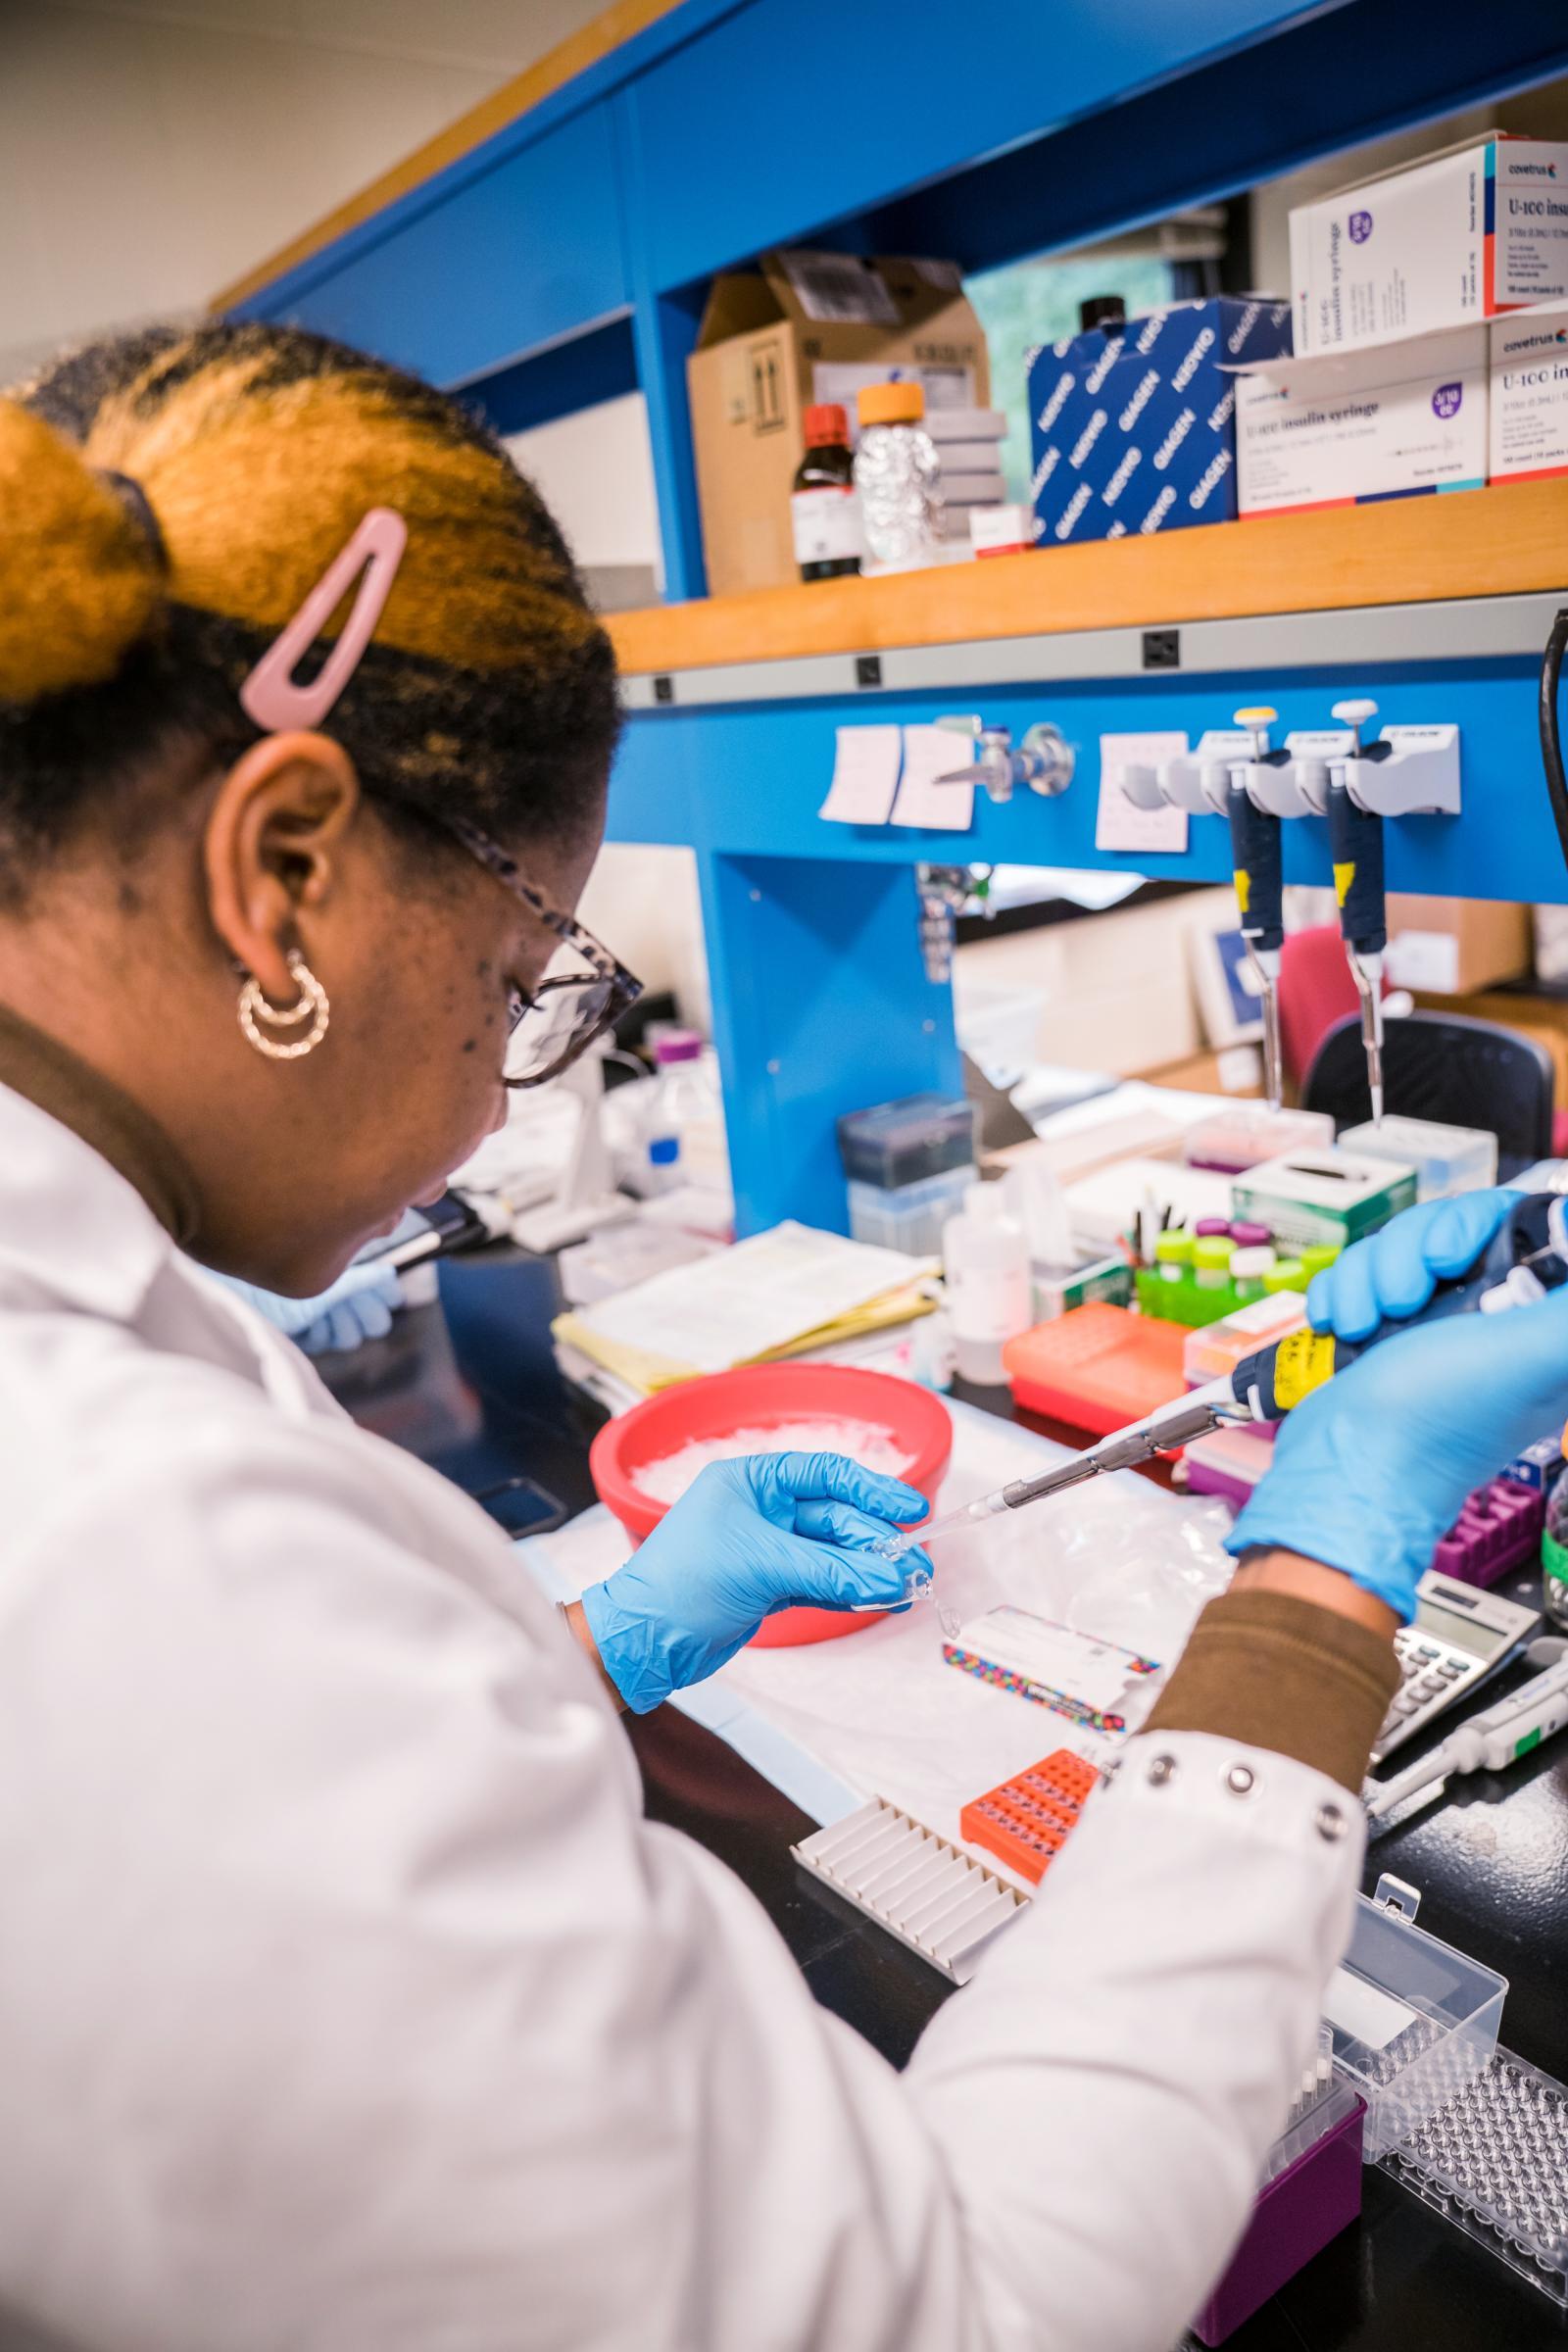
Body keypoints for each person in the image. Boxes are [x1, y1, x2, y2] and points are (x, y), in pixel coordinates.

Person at [1, 320, 1566, 2352]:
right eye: (513, 976)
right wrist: (1312, 1569)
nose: (496, 1099)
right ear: (279, 867)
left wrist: (581, 1646)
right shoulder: (128, 1568)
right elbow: (964, 2308)